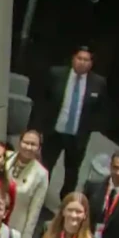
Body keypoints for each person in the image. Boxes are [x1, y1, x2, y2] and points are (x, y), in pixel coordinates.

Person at [38, 46, 108, 199]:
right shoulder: (56, 74)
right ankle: (39, 196)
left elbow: (100, 110)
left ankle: (66, 201)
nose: (82, 62)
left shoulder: (99, 83)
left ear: (91, 63)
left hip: (78, 136)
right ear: (73, 59)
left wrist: (88, 129)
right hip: (54, 132)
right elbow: (43, 102)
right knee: (45, 167)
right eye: (79, 58)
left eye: (86, 60)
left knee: (72, 171)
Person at [6, 129, 51, 238]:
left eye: (33, 144)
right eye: (26, 143)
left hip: (15, 226)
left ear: (39, 148)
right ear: (19, 143)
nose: (28, 147)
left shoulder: (41, 174)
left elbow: (35, 209)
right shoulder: (5, 157)